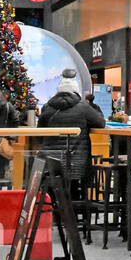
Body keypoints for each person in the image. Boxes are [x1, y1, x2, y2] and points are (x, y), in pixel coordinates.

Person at [37, 69, 105, 197]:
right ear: (76, 92)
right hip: (76, 163)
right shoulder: (83, 108)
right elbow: (101, 123)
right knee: (73, 185)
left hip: (50, 163)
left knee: (53, 185)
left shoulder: (47, 107)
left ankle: (54, 209)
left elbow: (39, 134)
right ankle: (72, 211)